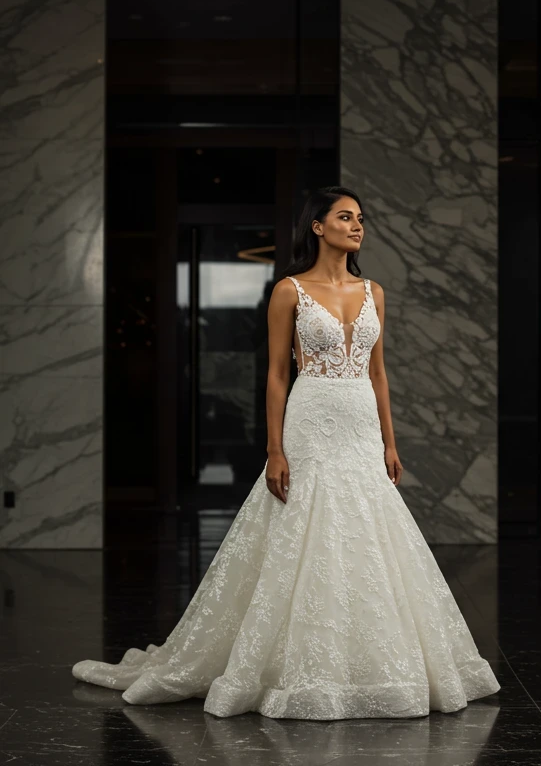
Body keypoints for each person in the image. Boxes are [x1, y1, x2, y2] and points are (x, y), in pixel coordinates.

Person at [72, 187, 500, 720]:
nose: (357, 225)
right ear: (317, 227)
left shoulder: (375, 291)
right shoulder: (289, 290)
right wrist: (274, 449)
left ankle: (374, 663)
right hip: (312, 416)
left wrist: (390, 441)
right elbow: (276, 375)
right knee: (303, 525)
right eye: (345, 217)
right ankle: (292, 665)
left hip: (361, 423)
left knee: (369, 530)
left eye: (361, 218)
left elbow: (378, 372)